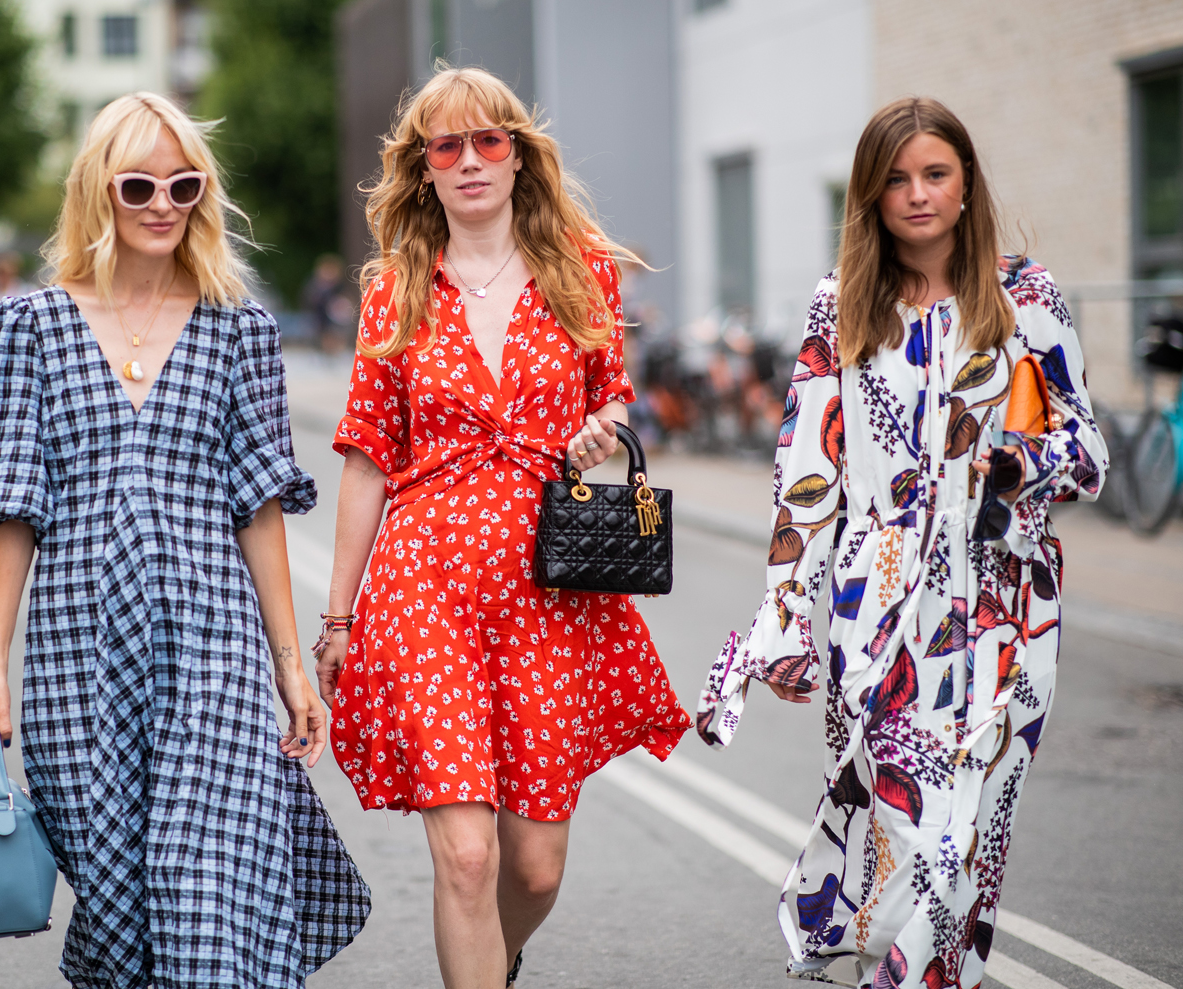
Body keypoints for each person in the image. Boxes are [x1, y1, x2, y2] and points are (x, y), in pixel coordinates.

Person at [0, 92, 369, 988]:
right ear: (99, 191)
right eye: (138, 185)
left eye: (184, 185)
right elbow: (14, 510)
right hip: (75, 654)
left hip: (212, 643)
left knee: (209, 886)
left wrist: (291, 665)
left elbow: (260, 508)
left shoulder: (239, 327)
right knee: (119, 909)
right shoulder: (30, 329)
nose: (162, 204)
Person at [695, 97, 1107, 988]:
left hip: (1008, 597)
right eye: (896, 179)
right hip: (875, 598)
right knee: (907, 817)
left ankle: (921, 973)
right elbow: (805, 476)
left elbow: (1091, 452)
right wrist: (784, 615)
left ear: (966, 187)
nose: (916, 194)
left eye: (935, 174)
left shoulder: (1026, 296)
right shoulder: (838, 305)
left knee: (976, 817)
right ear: (870, 196)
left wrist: (1020, 462)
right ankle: (893, 951)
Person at [315, 66, 692, 989]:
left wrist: (598, 438)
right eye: (449, 145)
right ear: (425, 168)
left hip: (547, 587)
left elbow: (611, 404)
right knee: (469, 859)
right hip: (425, 584)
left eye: (491, 140)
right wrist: (337, 617)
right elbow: (367, 457)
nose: (472, 159)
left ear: (518, 156)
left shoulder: (581, 269)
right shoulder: (394, 290)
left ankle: (498, 956)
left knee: (532, 867)